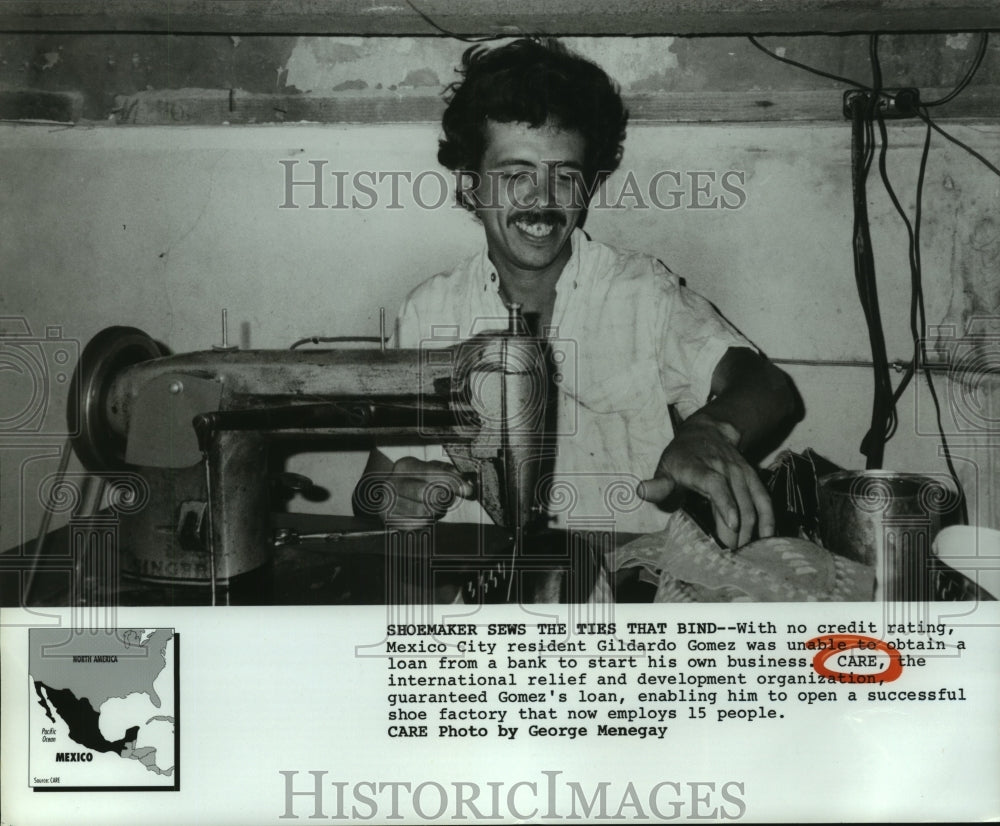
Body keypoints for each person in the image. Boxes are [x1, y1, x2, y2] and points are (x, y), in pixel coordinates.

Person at [355, 38, 799, 550]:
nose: (543, 199)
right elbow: (372, 488)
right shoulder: (427, 310)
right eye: (515, 174)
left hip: (626, 576)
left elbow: (770, 386)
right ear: (472, 183)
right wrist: (394, 497)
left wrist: (711, 431)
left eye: (565, 176)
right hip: (484, 581)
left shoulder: (640, 292)